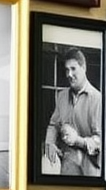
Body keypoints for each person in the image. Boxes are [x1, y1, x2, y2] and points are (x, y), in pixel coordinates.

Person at [43, 47, 102, 178]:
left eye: (73, 68)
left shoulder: (98, 99)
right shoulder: (62, 96)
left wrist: (77, 140)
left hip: (90, 169)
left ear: (84, 68)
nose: (69, 74)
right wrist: (50, 142)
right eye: (66, 70)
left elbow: (101, 141)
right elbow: (53, 124)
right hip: (67, 166)